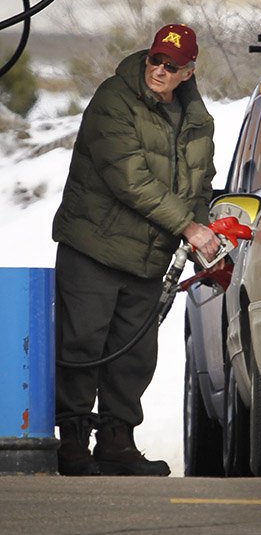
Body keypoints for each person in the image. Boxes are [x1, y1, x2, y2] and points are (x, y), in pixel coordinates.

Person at [51, 24, 221, 476]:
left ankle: (117, 442)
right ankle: (71, 441)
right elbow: (130, 179)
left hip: (148, 256)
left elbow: (199, 184)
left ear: (188, 72)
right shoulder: (114, 100)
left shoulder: (198, 120)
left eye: (171, 65)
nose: (159, 70)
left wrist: (202, 233)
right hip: (94, 246)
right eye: (155, 59)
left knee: (134, 354)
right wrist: (187, 227)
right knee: (82, 345)